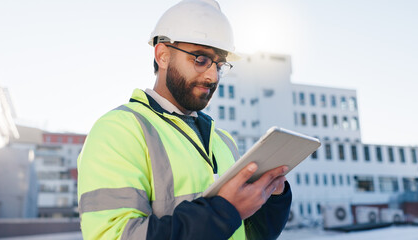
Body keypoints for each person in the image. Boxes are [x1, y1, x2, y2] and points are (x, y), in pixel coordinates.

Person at [77, 0, 292, 239]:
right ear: (163, 55)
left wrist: (273, 195)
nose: (212, 76)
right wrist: (224, 211)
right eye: (201, 59)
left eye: (219, 65)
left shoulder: (223, 142)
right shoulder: (119, 131)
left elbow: (249, 235)